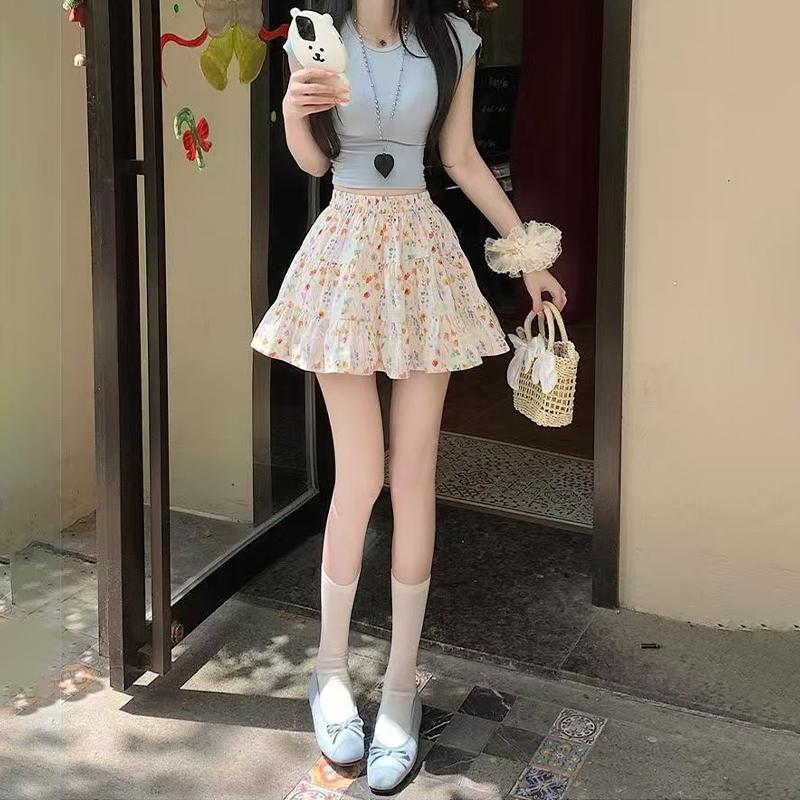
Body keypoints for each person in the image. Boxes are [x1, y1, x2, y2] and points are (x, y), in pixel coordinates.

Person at [251, 0, 567, 791]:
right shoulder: (318, 33)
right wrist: (293, 109)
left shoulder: (453, 36)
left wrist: (527, 255)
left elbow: (460, 157)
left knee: (414, 474)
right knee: (360, 477)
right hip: (345, 251)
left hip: (422, 252)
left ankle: (400, 687)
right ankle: (329, 671)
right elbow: (314, 163)